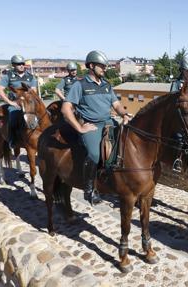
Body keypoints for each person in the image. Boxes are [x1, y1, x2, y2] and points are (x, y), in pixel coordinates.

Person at [62, 50, 131, 205]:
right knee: (94, 154)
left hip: (109, 122)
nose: (105, 69)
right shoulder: (80, 85)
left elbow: (117, 104)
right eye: (102, 66)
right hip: (92, 126)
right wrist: (80, 129)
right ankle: (89, 189)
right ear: (91, 66)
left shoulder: (107, 85)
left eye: (105, 66)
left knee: (126, 146)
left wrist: (124, 114)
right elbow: (66, 109)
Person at [0, 54, 38, 148]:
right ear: (13, 65)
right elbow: (0, 90)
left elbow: (34, 91)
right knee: (13, 117)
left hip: (28, 103)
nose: (21, 65)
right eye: (18, 64)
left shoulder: (30, 77)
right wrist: (10, 102)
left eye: (22, 63)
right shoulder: (8, 76)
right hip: (16, 104)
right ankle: (12, 140)